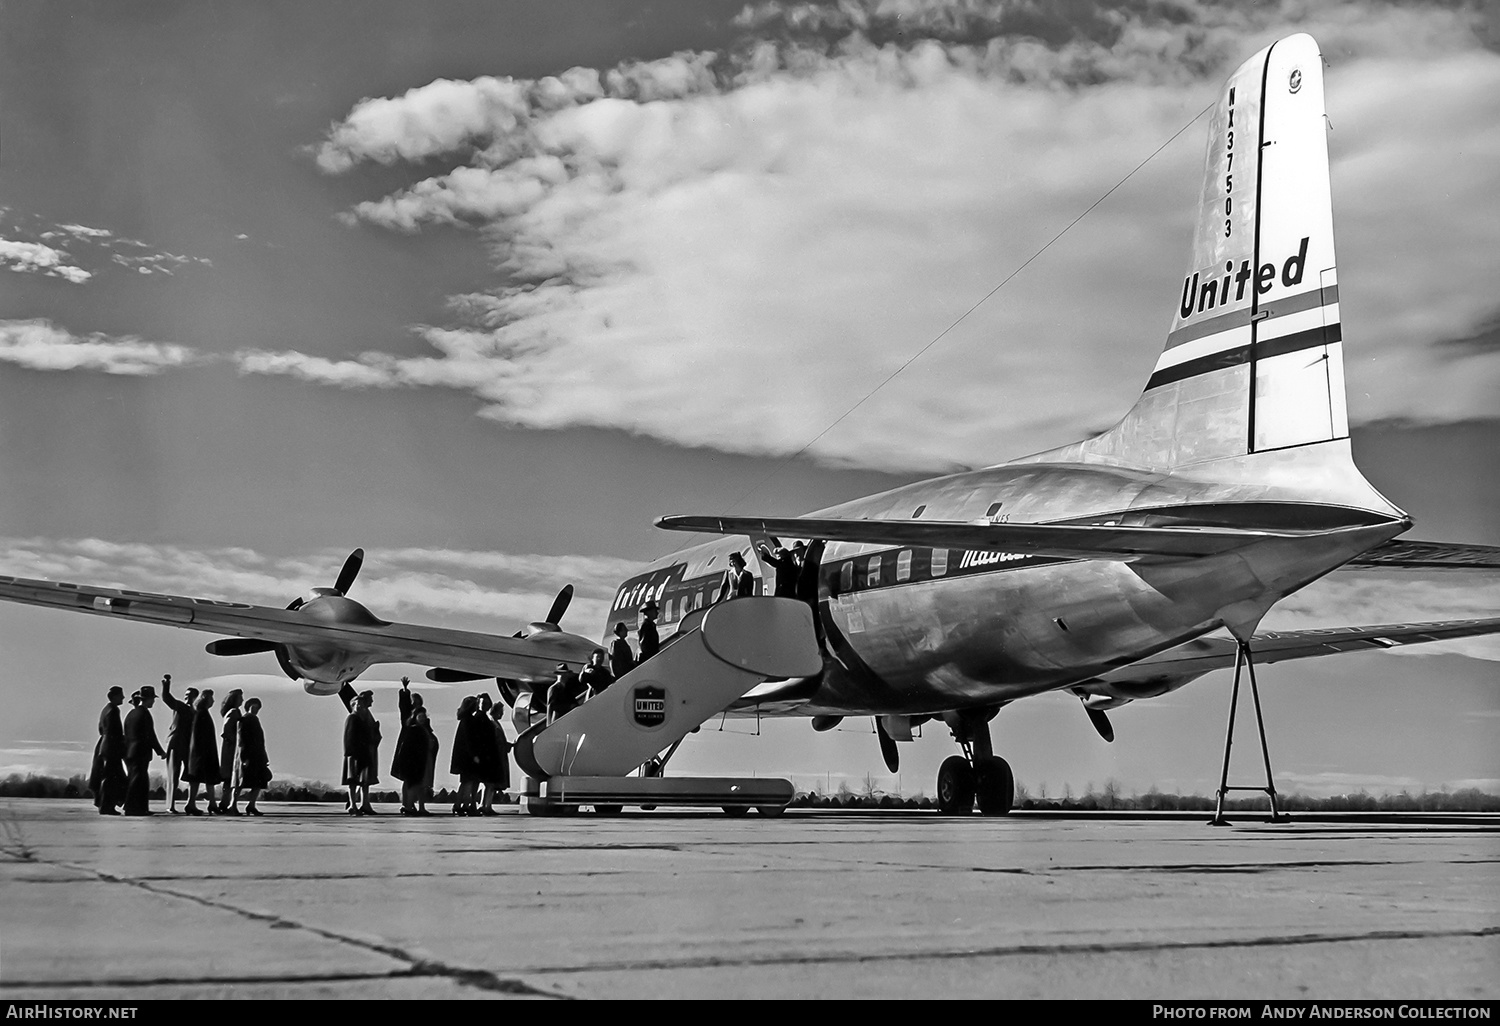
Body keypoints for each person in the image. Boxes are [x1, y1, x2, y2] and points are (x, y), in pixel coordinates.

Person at [122, 685, 166, 816]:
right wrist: (160, 751)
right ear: (147, 699)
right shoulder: (145, 713)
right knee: (139, 780)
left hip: (129, 751)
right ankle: (134, 808)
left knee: (134, 779)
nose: (153, 701)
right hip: (140, 752)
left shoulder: (130, 714)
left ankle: (137, 807)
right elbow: (150, 735)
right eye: (152, 699)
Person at [160, 677, 198, 814]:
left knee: (192, 774)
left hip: (188, 746)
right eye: (186, 695)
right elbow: (168, 699)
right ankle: (170, 805)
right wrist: (166, 686)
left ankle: (190, 803)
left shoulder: (196, 713)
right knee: (173, 774)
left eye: (190, 695)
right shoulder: (181, 707)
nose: (187, 697)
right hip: (176, 743)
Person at [392, 677, 429, 815]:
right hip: (409, 753)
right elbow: (403, 705)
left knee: (415, 781)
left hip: (419, 755)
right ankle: (407, 804)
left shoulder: (423, 721)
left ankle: (411, 805)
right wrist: (405, 690)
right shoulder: (408, 720)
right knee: (409, 780)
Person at [88, 686, 127, 815]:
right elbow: (115, 731)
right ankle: (106, 806)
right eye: (121, 695)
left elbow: (101, 729)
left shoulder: (106, 710)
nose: (123, 697)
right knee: (110, 778)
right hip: (111, 747)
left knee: (107, 776)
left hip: (104, 745)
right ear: (115, 696)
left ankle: (106, 804)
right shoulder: (113, 710)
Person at [342, 690, 380, 815]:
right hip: (354, 754)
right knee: (353, 780)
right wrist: (350, 753)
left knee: (363, 781)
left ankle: (363, 804)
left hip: (363, 753)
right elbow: (349, 737)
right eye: (358, 704)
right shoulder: (353, 718)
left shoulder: (362, 718)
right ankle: (353, 804)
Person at [184, 691, 221, 815]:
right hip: (203, 752)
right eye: (211, 698)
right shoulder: (202, 714)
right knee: (201, 779)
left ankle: (209, 803)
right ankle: (194, 804)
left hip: (200, 752)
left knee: (201, 779)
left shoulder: (200, 713)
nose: (213, 701)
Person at [236, 698, 271, 816]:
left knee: (259, 782)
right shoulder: (245, 719)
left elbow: (261, 742)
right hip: (249, 756)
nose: (256, 710)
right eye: (253, 707)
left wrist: (264, 757)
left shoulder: (254, 719)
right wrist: (243, 757)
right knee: (241, 782)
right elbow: (242, 740)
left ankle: (251, 805)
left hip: (258, 756)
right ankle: (233, 804)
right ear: (248, 707)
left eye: (257, 708)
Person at [449, 696, 481, 815]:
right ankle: (466, 804)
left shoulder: (464, 719)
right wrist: (474, 755)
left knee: (465, 782)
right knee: (468, 781)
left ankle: (458, 804)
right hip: (468, 758)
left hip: (463, 757)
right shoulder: (469, 720)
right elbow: (469, 740)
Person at [475, 694, 506, 815]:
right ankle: (484, 805)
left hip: (495, 754)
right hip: (493, 755)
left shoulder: (493, 723)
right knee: (489, 783)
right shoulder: (492, 723)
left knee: (490, 784)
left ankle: (486, 804)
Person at [216, 689, 244, 814]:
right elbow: (226, 731)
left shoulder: (235, 712)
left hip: (230, 749)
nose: (242, 700)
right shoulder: (233, 712)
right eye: (240, 698)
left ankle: (225, 802)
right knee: (230, 778)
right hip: (231, 750)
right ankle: (225, 803)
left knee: (229, 779)